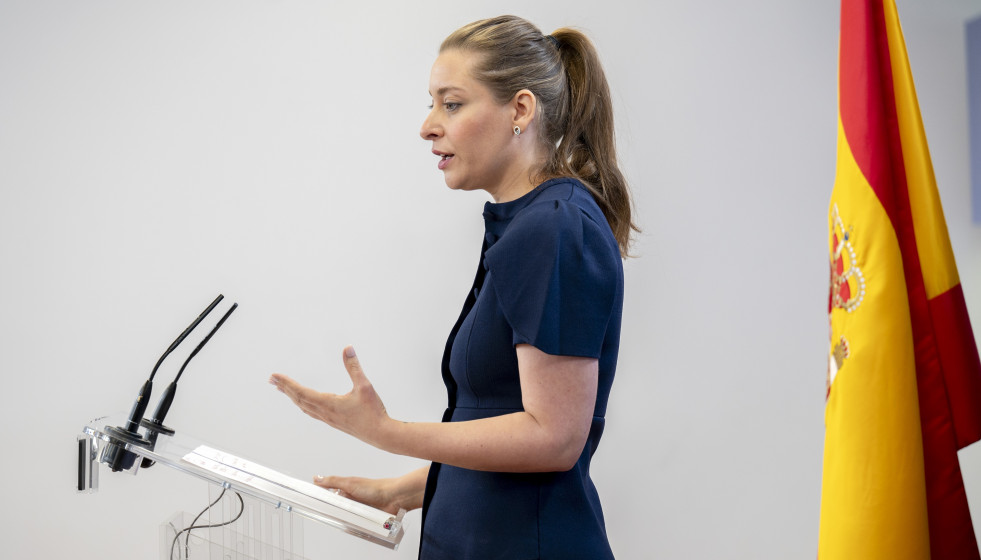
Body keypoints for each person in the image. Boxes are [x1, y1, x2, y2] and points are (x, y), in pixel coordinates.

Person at [269, 14, 636, 560]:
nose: (428, 126)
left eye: (452, 103)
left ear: (520, 110)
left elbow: (554, 438)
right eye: (431, 103)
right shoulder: (527, 222)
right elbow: (492, 425)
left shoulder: (555, 225)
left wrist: (387, 432)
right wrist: (404, 490)